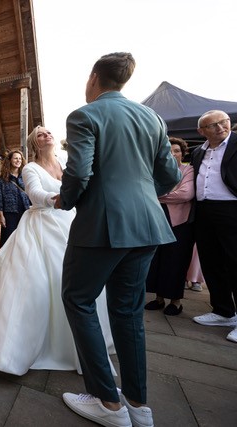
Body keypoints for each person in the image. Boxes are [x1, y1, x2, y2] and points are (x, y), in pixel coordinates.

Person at [56, 52, 180, 427]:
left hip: (102, 226)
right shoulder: (152, 118)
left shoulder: (84, 115)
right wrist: (140, 196)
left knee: (78, 300)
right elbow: (171, 175)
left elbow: (79, 172)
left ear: (94, 77)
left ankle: (107, 403)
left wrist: (66, 201)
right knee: (128, 313)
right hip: (148, 226)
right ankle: (139, 407)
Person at [0, 126, 115, 375]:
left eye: (48, 132)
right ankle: (21, 346)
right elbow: (35, 194)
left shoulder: (65, 163)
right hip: (42, 223)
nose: (47, 135)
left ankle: (81, 342)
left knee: (78, 279)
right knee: (37, 281)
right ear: (34, 143)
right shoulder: (31, 168)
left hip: (71, 223)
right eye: (40, 134)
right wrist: (56, 200)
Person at [190, 110, 237, 343]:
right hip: (204, 210)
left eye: (223, 122)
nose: (220, 127)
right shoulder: (198, 151)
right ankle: (223, 311)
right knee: (211, 261)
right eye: (213, 125)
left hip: (232, 209)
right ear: (201, 131)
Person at [145, 137, 195, 316]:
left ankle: (175, 301)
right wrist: (169, 193)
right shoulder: (155, 170)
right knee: (156, 259)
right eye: (169, 151)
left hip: (179, 222)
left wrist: (156, 195)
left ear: (183, 153)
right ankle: (159, 298)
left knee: (175, 261)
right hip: (156, 219)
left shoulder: (188, 170)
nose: (173, 154)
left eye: (177, 151)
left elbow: (185, 194)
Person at [0, 150, 30, 247]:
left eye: (20, 159)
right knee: (8, 241)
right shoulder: (2, 179)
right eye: (15, 158)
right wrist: (1, 216)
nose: (18, 160)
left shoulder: (26, 177)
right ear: (10, 160)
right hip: (9, 214)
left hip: (25, 212)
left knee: (24, 241)